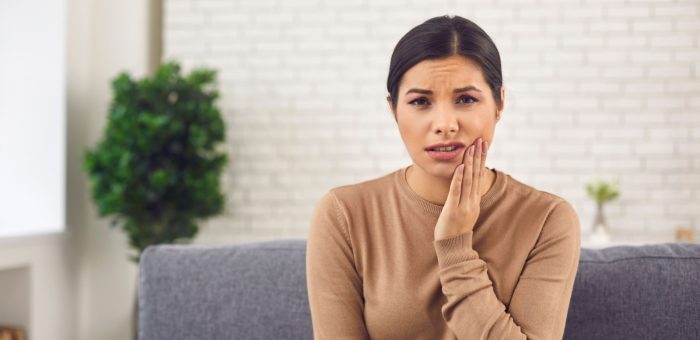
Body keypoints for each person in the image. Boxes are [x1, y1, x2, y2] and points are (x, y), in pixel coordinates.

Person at [306, 14, 580, 340]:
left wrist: (455, 250)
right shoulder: (343, 214)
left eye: (466, 99)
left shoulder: (547, 219)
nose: (445, 124)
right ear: (394, 110)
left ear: (499, 103)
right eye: (420, 101)